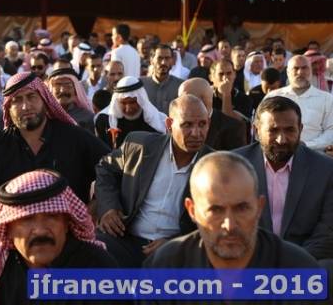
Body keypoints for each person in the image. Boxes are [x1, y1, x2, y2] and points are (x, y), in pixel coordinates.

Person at [0, 72, 110, 253]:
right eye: (17, 100)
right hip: (15, 237)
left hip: (70, 233)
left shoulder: (74, 136)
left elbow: (110, 168)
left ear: (45, 100)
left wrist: (96, 206)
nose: (25, 106)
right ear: (8, 107)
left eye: (31, 97)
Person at [0, 170, 117, 305]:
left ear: (67, 223)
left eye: (51, 217)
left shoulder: (96, 266)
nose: (40, 230)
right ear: (8, 229)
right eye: (27, 219)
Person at [145, 151, 319, 270]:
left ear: (259, 207)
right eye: (215, 210)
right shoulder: (164, 267)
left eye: (241, 208)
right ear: (192, 211)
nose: (229, 225)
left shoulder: (299, 271)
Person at [95, 94, 212, 267]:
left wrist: (175, 243)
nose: (196, 133)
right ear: (169, 125)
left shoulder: (214, 165)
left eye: (202, 124)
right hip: (126, 238)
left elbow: (215, 221)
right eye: (187, 125)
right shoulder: (140, 145)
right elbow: (105, 168)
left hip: (176, 250)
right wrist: (109, 207)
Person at [234, 96, 333, 262]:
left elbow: (327, 231)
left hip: (304, 262)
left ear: (300, 129)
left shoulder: (325, 169)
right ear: (256, 131)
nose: (282, 139)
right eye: (273, 130)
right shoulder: (233, 166)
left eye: (289, 130)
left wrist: (290, 263)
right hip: (247, 262)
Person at [265, 55, 333, 150]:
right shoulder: (273, 97)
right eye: (296, 68)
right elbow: (263, 128)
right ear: (288, 72)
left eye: (304, 68)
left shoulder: (326, 99)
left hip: (314, 153)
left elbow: (331, 131)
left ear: (310, 71)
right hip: (279, 152)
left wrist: (307, 145)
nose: (300, 72)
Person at [95, 76, 165, 149]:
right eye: (123, 103)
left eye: (132, 102)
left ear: (141, 99)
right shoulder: (104, 121)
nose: (128, 109)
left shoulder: (157, 121)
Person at [179, 78, 247, 150]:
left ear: (202, 100)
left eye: (183, 99)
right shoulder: (177, 122)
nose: (178, 103)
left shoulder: (233, 128)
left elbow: (234, 156)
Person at [47, 68, 95, 133]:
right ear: (51, 90)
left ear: (76, 90)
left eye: (68, 85)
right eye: (57, 85)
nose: (62, 90)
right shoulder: (44, 116)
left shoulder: (87, 117)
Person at [141, 44, 183, 114]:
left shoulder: (180, 86)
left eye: (167, 58)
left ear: (172, 61)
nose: (163, 62)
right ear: (151, 60)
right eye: (159, 58)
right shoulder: (141, 85)